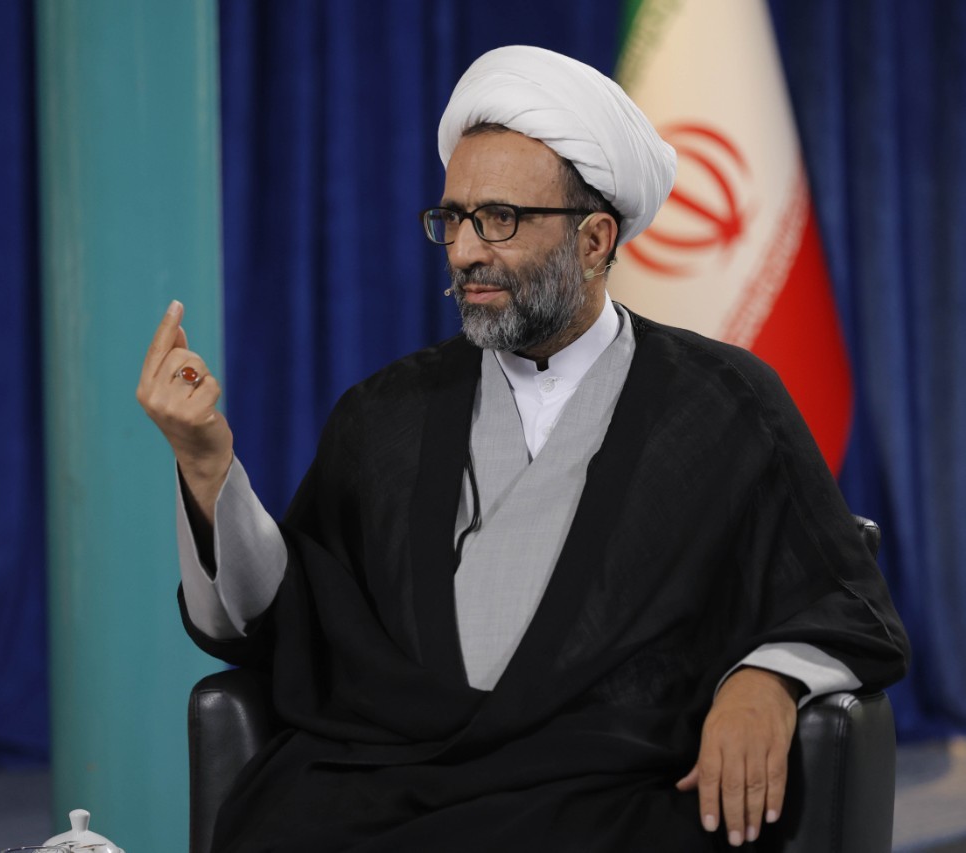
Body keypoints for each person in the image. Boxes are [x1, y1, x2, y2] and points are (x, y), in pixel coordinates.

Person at [137, 46, 908, 852]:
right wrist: (206, 465)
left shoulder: (723, 403)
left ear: (594, 239)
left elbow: (839, 598)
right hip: (394, 777)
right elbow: (291, 617)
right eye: (453, 218)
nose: (464, 250)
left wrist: (766, 677)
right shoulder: (385, 410)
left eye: (499, 218)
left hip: (604, 790)